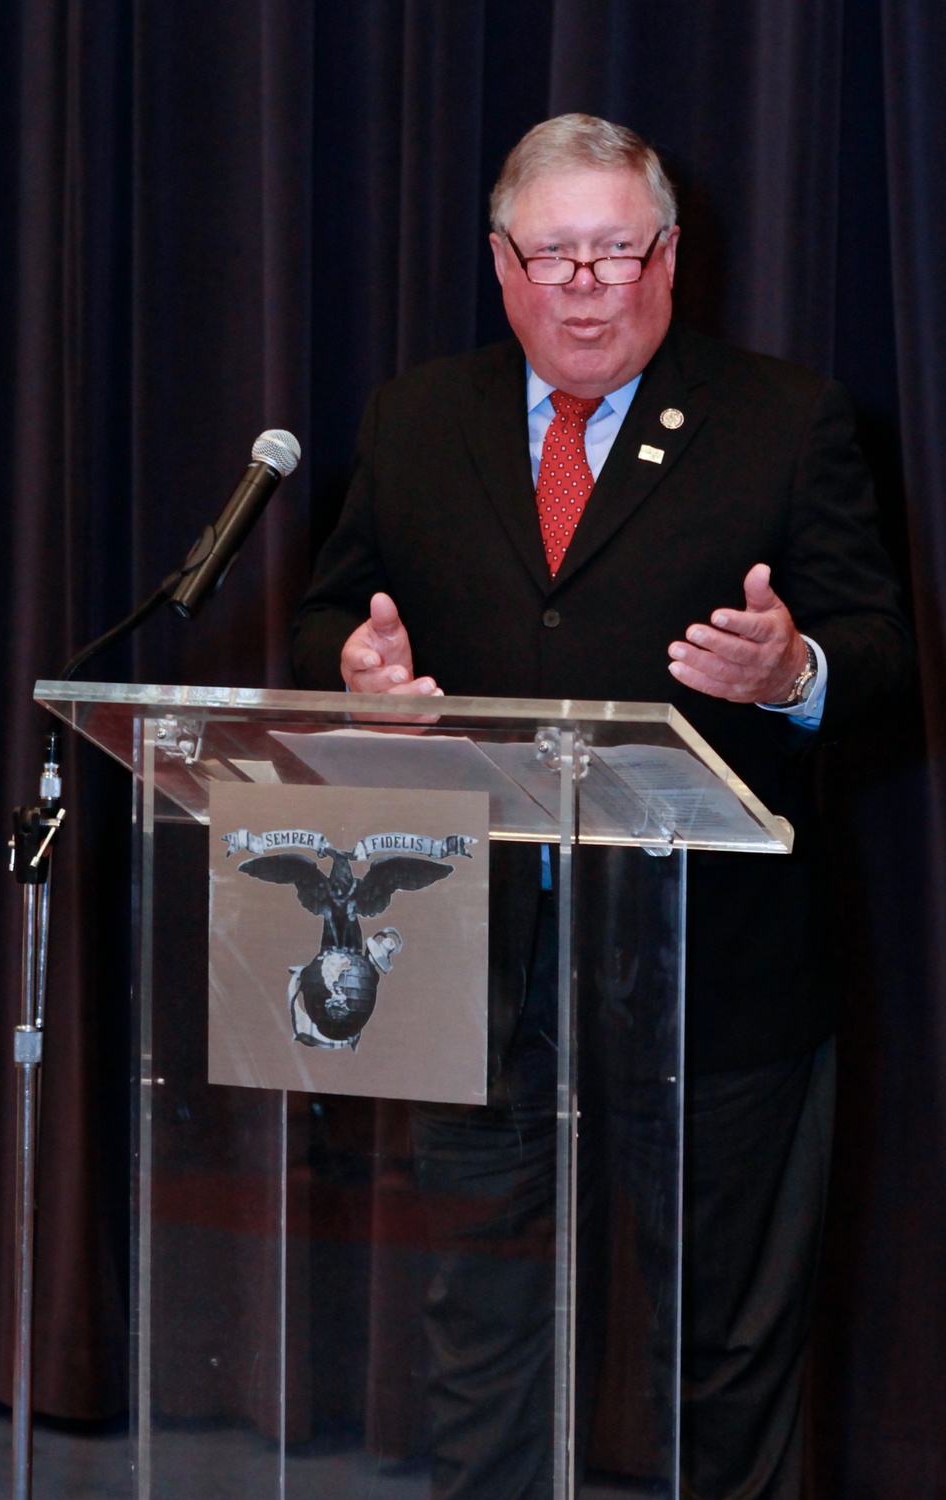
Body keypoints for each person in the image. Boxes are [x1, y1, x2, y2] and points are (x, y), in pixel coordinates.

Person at [291, 116, 911, 1500]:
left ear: (671, 260)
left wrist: (794, 667)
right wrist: (348, 667)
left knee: (726, 1354)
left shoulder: (787, 420)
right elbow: (332, 608)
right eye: (553, 253)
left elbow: (884, 660)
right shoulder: (414, 420)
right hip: (476, 967)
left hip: (719, 973)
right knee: (480, 1342)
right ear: (501, 266)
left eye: (615, 249)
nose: (585, 283)